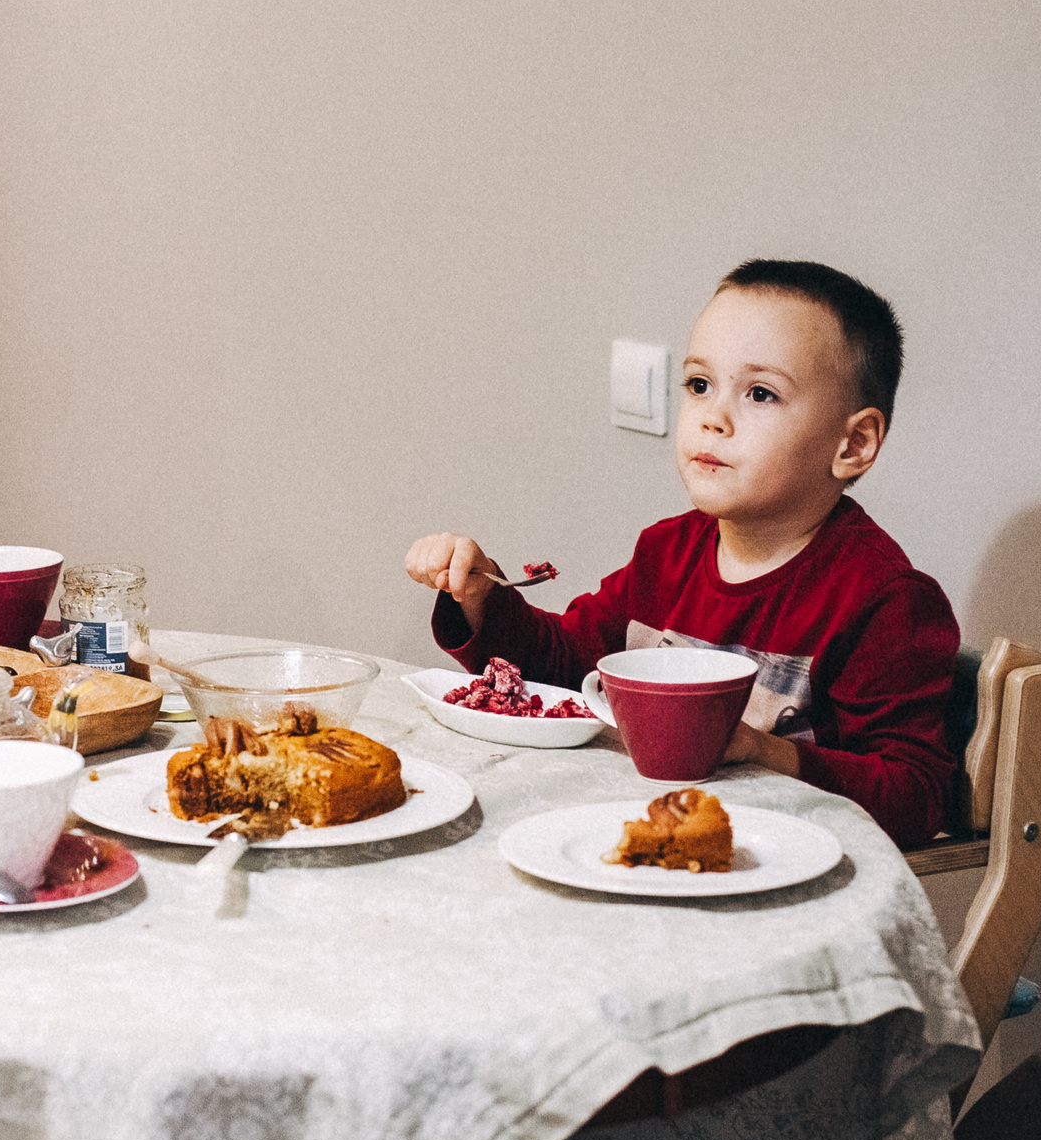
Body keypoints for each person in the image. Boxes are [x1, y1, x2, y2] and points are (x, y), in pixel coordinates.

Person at [404, 259, 959, 848]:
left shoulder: (884, 600)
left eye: (760, 394)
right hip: (646, 849)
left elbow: (917, 798)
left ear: (853, 444)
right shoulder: (665, 553)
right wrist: (478, 599)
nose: (713, 418)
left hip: (775, 878)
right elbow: (568, 667)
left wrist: (758, 748)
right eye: (699, 385)